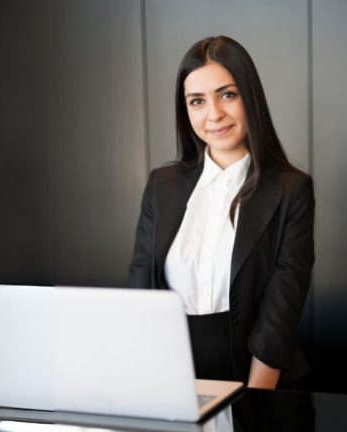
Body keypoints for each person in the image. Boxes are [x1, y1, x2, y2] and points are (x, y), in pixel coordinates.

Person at [129, 36, 314, 390]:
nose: (213, 114)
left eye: (227, 94)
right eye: (197, 101)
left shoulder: (291, 190)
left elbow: (281, 310)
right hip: (173, 384)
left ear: (249, 97)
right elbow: (142, 291)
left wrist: (254, 403)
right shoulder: (161, 185)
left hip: (261, 385)